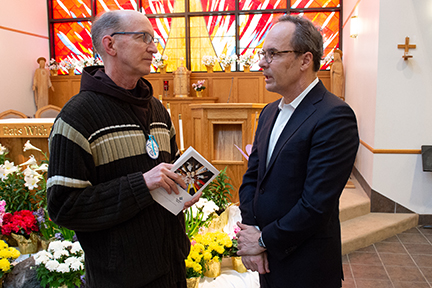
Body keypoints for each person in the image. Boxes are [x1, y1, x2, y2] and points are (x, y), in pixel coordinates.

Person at [47, 10, 200, 288]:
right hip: (119, 277)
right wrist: (141, 184)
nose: (153, 48)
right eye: (143, 38)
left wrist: (183, 191)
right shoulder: (78, 117)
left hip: (171, 267)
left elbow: (171, 171)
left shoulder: (157, 110)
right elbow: (64, 207)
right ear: (110, 45)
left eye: (152, 39)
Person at [236, 15, 359, 288]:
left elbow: (316, 205)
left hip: (306, 265)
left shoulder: (334, 116)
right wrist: (250, 231)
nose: (261, 62)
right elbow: (253, 179)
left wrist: (263, 241)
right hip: (267, 259)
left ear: (305, 60)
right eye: (262, 53)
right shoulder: (269, 112)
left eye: (273, 54)